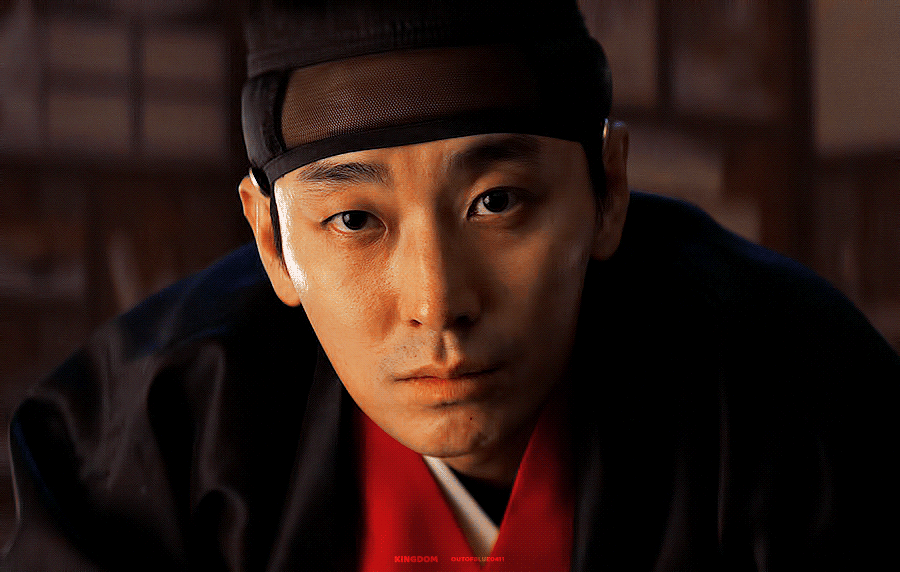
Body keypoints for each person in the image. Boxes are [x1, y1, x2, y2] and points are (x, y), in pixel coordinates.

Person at [3, 1, 898, 571]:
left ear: (609, 191)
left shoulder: (800, 398)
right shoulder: (140, 438)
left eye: (496, 202)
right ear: (271, 240)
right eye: (355, 220)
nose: (437, 303)